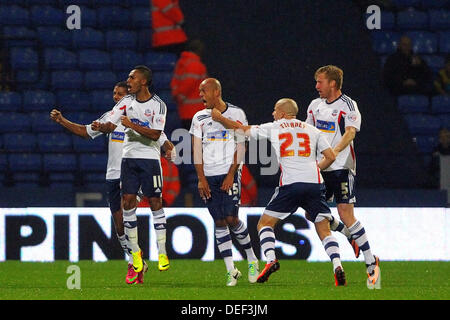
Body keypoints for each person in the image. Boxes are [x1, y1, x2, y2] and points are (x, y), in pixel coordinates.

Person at [212, 98, 349, 286]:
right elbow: (331, 156)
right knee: (324, 229)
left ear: (283, 113)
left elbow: (242, 130)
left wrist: (220, 118)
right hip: (314, 183)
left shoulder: (275, 126)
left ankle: (270, 260)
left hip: (291, 184)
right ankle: (337, 266)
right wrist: (316, 169)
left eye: (275, 110)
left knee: (264, 224)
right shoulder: (313, 129)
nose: (273, 113)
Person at [50, 81, 175, 284]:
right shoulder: (109, 118)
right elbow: (86, 132)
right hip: (113, 175)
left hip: (135, 173)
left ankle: (141, 259)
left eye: (120, 94)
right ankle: (136, 259)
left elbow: (163, 140)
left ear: (130, 98)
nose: (116, 97)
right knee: (119, 227)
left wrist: (170, 151)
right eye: (114, 94)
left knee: (132, 212)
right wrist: (62, 121)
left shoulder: (142, 118)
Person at [91, 65, 170, 283]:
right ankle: (135, 254)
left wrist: (132, 125)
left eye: (132, 78)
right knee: (127, 202)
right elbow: (111, 124)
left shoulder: (158, 105)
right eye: (128, 77)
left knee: (155, 202)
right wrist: (101, 126)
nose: (129, 81)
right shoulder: (125, 102)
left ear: (143, 82)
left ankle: (161, 251)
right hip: (129, 159)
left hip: (150, 159)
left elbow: (156, 134)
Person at [306, 65, 380, 289]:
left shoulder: (348, 105)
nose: (317, 86)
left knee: (345, 212)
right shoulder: (314, 106)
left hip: (341, 166)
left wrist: (335, 152)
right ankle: (349, 235)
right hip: (321, 167)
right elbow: (308, 134)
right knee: (312, 214)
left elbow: (350, 132)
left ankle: (371, 264)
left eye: (320, 82)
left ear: (333, 84)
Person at [189, 78, 259, 286]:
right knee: (219, 220)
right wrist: (201, 179)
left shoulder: (236, 113)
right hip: (208, 176)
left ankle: (252, 259)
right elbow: (196, 149)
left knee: (231, 218)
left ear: (216, 91)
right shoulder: (198, 117)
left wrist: (231, 175)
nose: (200, 95)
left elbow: (241, 146)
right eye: (200, 91)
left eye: (204, 91)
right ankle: (231, 270)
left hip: (229, 173)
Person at [171, 39, 208, 129]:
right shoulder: (196, 65)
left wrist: (177, 96)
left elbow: (174, 82)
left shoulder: (181, 63)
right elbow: (188, 84)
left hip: (185, 111)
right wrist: (181, 97)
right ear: (198, 50)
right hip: (196, 111)